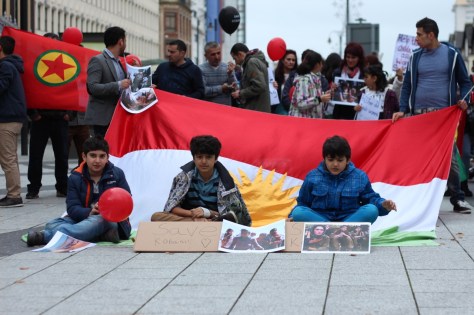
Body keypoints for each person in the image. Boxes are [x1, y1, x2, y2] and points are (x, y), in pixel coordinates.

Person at [392, 17, 473, 214]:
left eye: (419, 35)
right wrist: (403, 108)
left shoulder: (452, 54)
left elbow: (466, 82)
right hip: (418, 115)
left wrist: (464, 100)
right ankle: (418, 198)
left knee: (450, 157)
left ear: (431, 35)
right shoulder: (415, 56)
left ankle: (457, 198)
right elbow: (408, 86)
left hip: (443, 117)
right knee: (418, 157)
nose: (416, 39)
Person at [26, 136, 132, 246]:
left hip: (112, 221)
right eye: (93, 156)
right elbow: (72, 208)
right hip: (84, 218)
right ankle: (100, 234)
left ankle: (46, 237)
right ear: (84, 157)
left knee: (100, 220)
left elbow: (127, 201)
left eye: (102, 156)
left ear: (107, 157)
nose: (97, 161)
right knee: (52, 224)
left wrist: (106, 209)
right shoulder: (75, 177)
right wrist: (90, 212)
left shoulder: (117, 174)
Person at [289, 135, 397, 223]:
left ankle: (340, 231)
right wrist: (291, 216)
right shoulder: (312, 176)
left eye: (340, 160)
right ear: (324, 158)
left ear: (348, 160)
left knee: (372, 209)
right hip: (320, 221)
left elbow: (371, 199)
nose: (335, 164)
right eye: (330, 160)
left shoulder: (359, 176)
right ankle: (334, 232)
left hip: (349, 220)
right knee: (298, 212)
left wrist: (383, 205)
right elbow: (303, 203)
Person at [150, 135, 251, 225]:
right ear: (193, 158)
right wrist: (194, 216)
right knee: (156, 217)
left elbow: (234, 216)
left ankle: (207, 224)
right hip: (190, 218)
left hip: (215, 220)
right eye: (199, 157)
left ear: (216, 158)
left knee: (228, 223)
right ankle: (205, 225)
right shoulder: (183, 177)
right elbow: (172, 207)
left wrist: (207, 213)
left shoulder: (226, 183)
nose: (203, 161)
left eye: (208, 157)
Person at [26, 33, 70, 199]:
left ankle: (62, 186)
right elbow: (29, 88)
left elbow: (73, 89)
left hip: (60, 118)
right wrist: (32, 114)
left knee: (62, 155)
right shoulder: (36, 63)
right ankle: (33, 187)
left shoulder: (66, 62)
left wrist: (69, 114)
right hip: (40, 118)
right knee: (36, 155)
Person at [85, 26, 130, 137]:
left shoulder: (118, 61)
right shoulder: (98, 60)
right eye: (125, 41)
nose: (125, 44)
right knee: (103, 151)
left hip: (118, 117)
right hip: (103, 119)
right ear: (120, 42)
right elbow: (92, 87)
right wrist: (118, 84)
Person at [0, 36, 27, 208]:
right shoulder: (11, 65)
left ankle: (14, 195)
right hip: (11, 117)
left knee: (8, 158)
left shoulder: (5, 66)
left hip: (7, 118)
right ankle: (14, 192)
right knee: (10, 157)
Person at [288, 50, 331, 118]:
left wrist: (324, 95)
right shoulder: (304, 79)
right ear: (317, 64)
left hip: (312, 121)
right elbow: (300, 102)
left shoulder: (316, 79)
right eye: (321, 63)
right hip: (302, 122)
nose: (322, 66)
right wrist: (319, 99)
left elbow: (312, 96)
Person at [230, 43, 271, 113]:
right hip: (259, 110)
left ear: (239, 54)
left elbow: (259, 86)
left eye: (235, 58)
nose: (235, 62)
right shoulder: (255, 61)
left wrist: (240, 93)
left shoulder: (251, 62)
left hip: (256, 111)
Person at [331, 42, 365, 120]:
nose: (350, 60)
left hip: (357, 114)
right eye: (348, 57)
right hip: (339, 114)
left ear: (359, 58)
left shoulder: (364, 73)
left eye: (353, 57)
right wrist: (332, 91)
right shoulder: (338, 72)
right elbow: (332, 96)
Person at [273, 49, 298, 114]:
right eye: (288, 59)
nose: (291, 62)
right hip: (277, 109)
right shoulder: (274, 76)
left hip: (294, 108)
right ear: (282, 60)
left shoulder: (298, 76)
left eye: (293, 60)